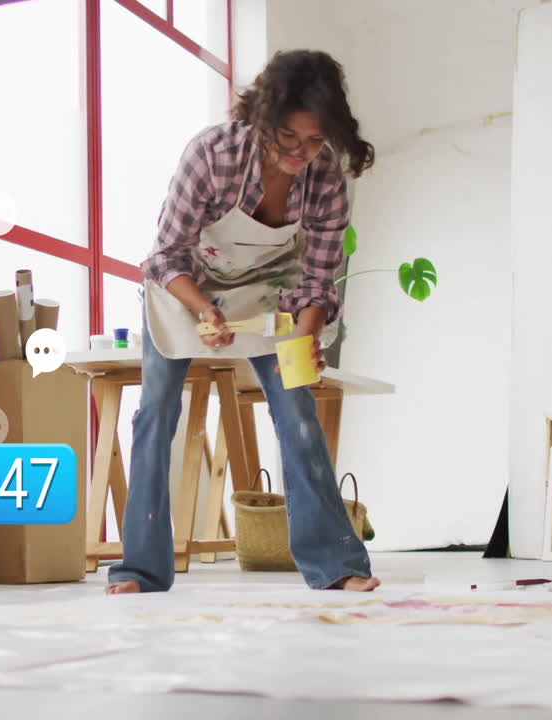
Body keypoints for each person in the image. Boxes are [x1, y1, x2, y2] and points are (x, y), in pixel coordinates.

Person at [106, 49, 378, 595]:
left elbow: (318, 278)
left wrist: (305, 338)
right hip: (185, 287)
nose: (303, 153)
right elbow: (165, 257)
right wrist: (204, 310)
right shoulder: (212, 154)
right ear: (262, 120)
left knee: (297, 407)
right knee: (156, 412)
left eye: (316, 139)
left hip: (269, 288)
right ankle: (140, 568)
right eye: (289, 138)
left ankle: (336, 564)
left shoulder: (324, 177)